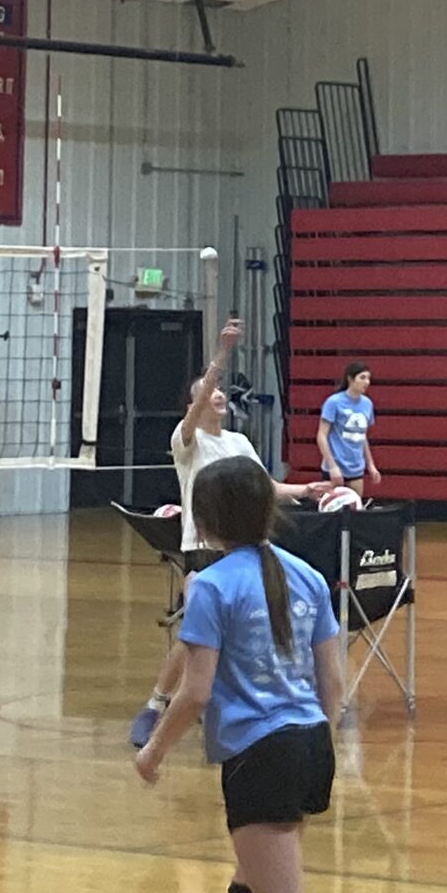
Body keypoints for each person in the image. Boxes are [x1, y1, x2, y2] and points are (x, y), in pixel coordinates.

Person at [134, 456, 349, 893]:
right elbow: (333, 681)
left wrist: (153, 750)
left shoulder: (210, 586)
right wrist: (315, 738)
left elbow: (195, 691)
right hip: (307, 742)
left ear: (204, 521)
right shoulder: (307, 574)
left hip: (262, 752)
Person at [131, 320, 318, 749]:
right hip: (204, 548)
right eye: (207, 390)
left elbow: (266, 486)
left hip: (246, 546)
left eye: (219, 390)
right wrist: (222, 353)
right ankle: (156, 705)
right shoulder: (186, 441)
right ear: (194, 403)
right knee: (194, 632)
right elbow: (197, 405)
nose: (216, 394)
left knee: (245, 627)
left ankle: (238, 701)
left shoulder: (238, 442)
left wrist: (305, 490)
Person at [318, 361, 379, 498]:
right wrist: (332, 466)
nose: (367, 382)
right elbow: (321, 436)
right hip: (336, 466)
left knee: (355, 506)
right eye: (362, 378)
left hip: (356, 468)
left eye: (368, 378)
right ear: (351, 379)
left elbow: (362, 437)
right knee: (333, 506)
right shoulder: (333, 402)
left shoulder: (367, 404)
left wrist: (371, 465)